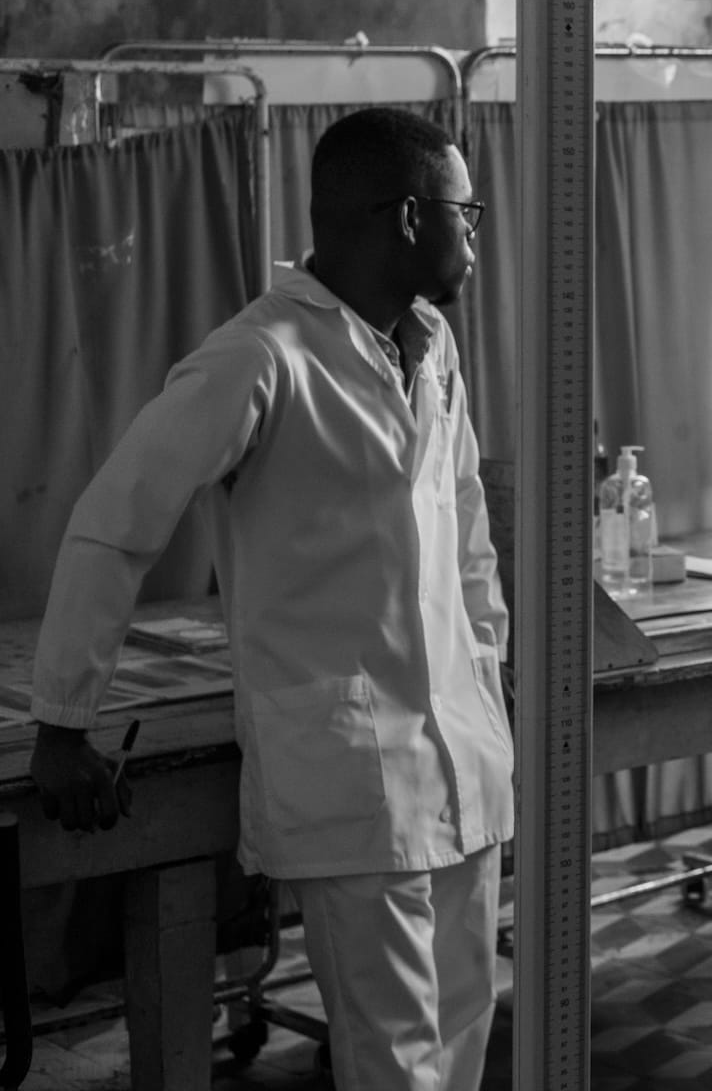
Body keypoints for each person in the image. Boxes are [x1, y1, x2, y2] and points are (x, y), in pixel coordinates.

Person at [29, 107, 513, 1091]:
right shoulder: (262, 356)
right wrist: (63, 718)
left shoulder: (431, 346)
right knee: (395, 1063)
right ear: (409, 217)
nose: (476, 234)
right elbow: (114, 521)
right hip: (353, 774)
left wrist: (491, 675)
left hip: (464, 754)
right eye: (465, 212)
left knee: (465, 1035)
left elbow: (466, 530)